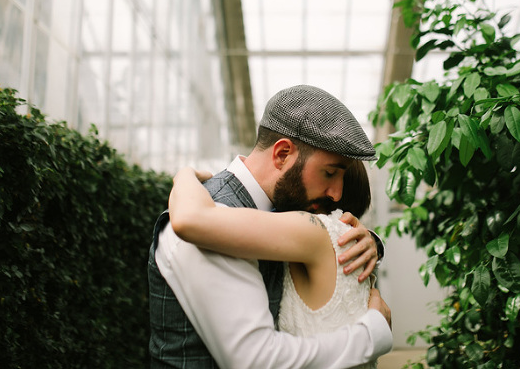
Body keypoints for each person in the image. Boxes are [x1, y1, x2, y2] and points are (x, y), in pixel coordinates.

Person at [148, 85, 393, 368]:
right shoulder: (212, 217)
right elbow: (257, 360)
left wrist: (369, 241)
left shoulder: (280, 214)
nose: (337, 195)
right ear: (282, 154)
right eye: (329, 172)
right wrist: (373, 333)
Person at [168, 158, 381, 368]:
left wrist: (184, 175)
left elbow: (192, 218)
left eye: (329, 173)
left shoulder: (311, 231)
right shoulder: (346, 238)